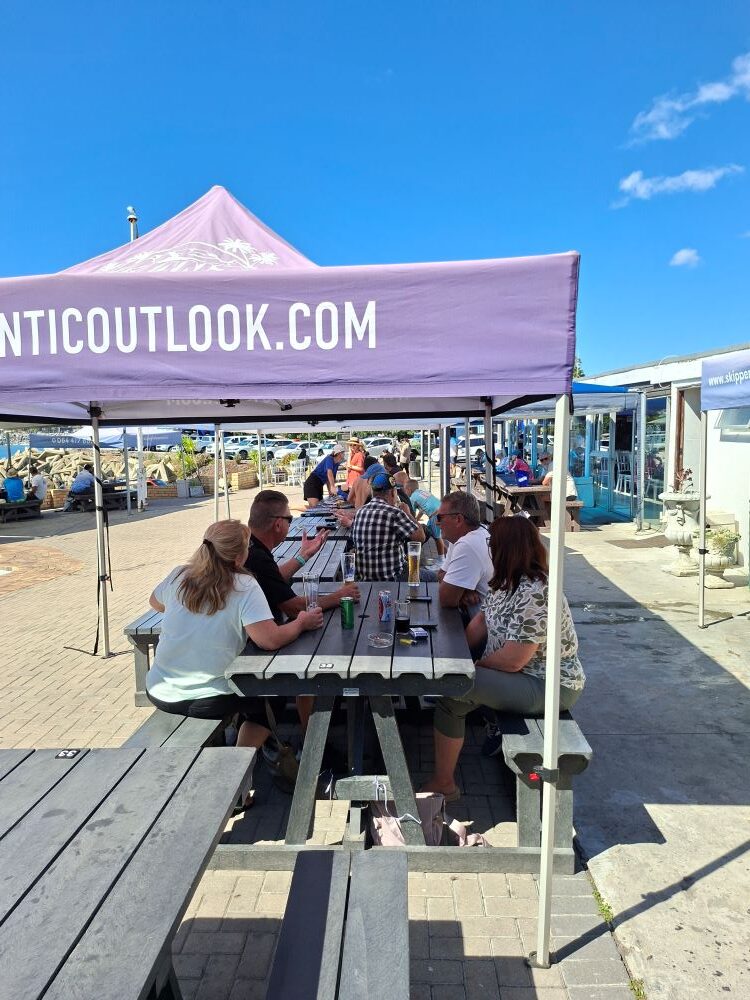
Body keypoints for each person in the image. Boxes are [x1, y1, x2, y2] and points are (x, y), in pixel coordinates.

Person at [423, 516, 585, 799]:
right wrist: (449, 649)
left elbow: (514, 660)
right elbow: (480, 624)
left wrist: (472, 667)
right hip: (520, 676)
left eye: (492, 544)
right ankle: (449, 774)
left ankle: (444, 784)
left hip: (547, 684)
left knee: (455, 687)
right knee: (454, 688)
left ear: (505, 549)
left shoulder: (536, 592)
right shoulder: (506, 582)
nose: (489, 550)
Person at [145, 519, 324, 757]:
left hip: (159, 690)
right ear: (240, 556)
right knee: (272, 697)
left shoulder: (179, 575)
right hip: (208, 698)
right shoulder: (243, 584)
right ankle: (236, 762)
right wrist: (301, 622)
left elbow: (155, 603)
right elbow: (268, 640)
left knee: (250, 690)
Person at [245, 489, 361, 731]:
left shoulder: (250, 546)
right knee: (311, 666)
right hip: (252, 644)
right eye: (289, 519)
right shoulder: (255, 557)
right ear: (278, 524)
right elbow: (297, 608)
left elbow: (274, 580)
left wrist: (303, 556)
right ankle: (312, 744)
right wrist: (338, 596)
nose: (291, 523)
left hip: (253, 635)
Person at [351, 473, 425, 580]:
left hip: (364, 578)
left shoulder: (360, 512)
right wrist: (408, 513)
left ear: (373, 492)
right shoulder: (394, 513)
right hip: (393, 577)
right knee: (434, 577)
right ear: (392, 493)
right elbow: (420, 537)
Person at [434, 491, 493, 612]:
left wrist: (458, 589)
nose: (437, 522)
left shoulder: (468, 544)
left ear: (458, 519)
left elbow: (446, 599)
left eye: (440, 517)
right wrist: (465, 590)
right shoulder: (471, 534)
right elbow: (441, 575)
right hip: (476, 616)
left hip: (483, 625)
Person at [403, 478, 445, 557]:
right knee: (433, 534)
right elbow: (422, 510)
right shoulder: (421, 492)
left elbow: (411, 514)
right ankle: (445, 555)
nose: (405, 493)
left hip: (435, 514)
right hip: (440, 509)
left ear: (409, 489)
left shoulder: (412, 498)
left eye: (405, 490)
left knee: (437, 537)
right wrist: (417, 520)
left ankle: (441, 560)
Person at [302, 443, 345, 507]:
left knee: (318, 507)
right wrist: (333, 487)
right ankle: (293, 508)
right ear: (338, 453)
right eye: (343, 452)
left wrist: (330, 491)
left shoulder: (336, 463)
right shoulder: (329, 458)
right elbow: (329, 473)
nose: (344, 454)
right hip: (312, 482)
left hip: (319, 484)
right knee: (314, 507)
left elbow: (329, 479)